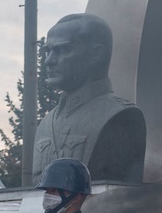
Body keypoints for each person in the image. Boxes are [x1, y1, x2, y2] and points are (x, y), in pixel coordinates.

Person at [32, 13, 146, 185]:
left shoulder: (121, 115)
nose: (48, 61)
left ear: (96, 55)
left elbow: (119, 198)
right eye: (48, 51)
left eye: (62, 50)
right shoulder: (45, 124)